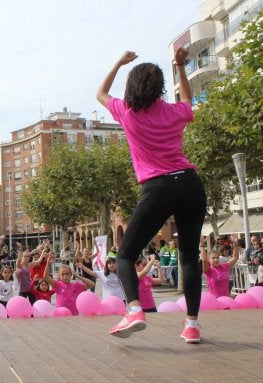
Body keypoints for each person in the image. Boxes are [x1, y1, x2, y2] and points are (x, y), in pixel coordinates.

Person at [96, 48, 206, 342]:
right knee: (190, 257)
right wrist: (181, 66)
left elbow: (100, 93)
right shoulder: (173, 112)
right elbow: (187, 99)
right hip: (190, 183)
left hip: (158, 188)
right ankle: (192, 325)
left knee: (124, 255)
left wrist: (118, 62)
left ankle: (134, 310)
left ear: (132, 86)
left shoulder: (127, 114)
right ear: (160, 87)